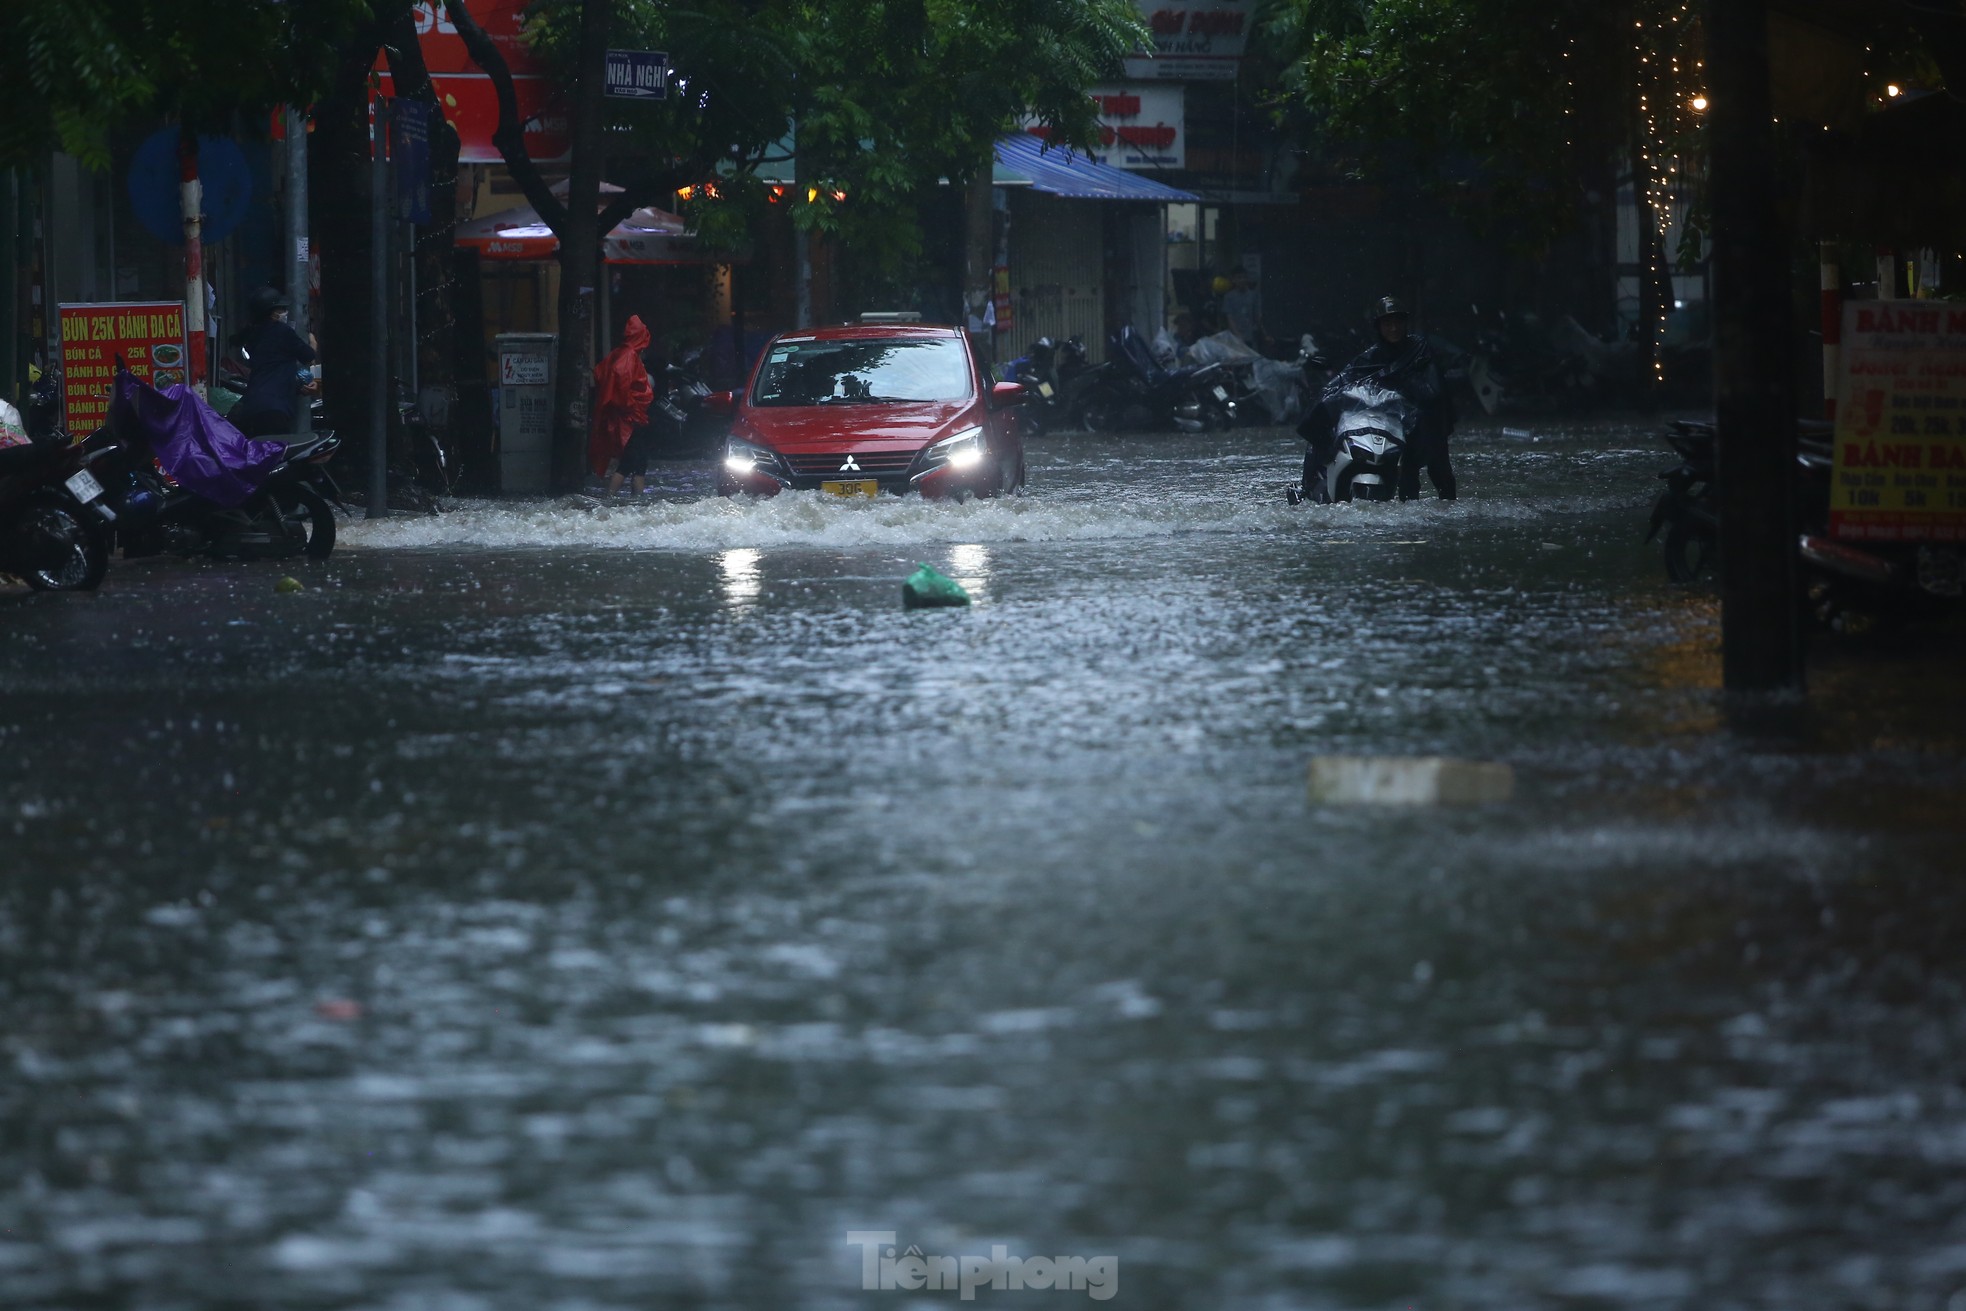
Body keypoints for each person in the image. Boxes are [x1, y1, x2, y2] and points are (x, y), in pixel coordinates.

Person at [1294, 295, 1456, 503]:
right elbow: (1345, 379)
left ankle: (1447, 510)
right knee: (1405, 476)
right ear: (1378, 327)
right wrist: (1322, 394)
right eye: (1388, 323)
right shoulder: (1370, 357)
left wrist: (1417, 397)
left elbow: (1433, 389)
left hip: (1425, 420)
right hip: (1393, 422)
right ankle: (1310, 488)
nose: (1394, 328)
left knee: (1440, 471)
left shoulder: (1419, 349)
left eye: (1398, 322)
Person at [226, 287, 318, 439]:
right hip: (275, 410)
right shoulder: (282, 332)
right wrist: (313, 342)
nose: (284, 312)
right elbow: (308, 356)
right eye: (281, 309)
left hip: (250, 407)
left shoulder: (253, 334)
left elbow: (275, 369)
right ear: (272, 312)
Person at [589, 315, 655, 497]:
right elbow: (621, 381)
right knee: (637, 462)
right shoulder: (628, 356)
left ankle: (620, 499)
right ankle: (631, 500)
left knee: (632, 461)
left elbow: (601, 373)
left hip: (630, 415)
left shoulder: (619, 354)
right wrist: (629, 405)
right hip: (632, 416)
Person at [1221, 268, 1266, 352]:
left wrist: (1264, 333)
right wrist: (1238, 336)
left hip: (1251, 336)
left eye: (1243, 277)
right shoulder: (1229, 297)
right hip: (1235, 338)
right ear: (1233, 280)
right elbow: (1229, 318)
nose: (1241, 280)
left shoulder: (1253, 296)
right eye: (1238, 278)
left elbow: (1257, 316)